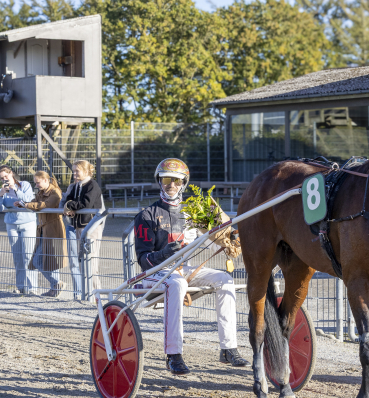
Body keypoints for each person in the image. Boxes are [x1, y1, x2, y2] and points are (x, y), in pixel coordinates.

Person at [133, 158, 248, 375]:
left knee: (225, 279)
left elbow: (214, 239)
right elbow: (143, 260)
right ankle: (173, 355)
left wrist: (229, 238)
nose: (171, 185)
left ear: (184, 183)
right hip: (156, 273)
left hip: (183, 270)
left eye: (177, 181)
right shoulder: (146, 215)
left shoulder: (193, 213)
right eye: (166, 180)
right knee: (177, 284)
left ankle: (228, 348)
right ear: (159, 181)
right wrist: (164, 253)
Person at [17, 171, 67, 297]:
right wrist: (23, 204)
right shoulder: (41, 192)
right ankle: (55, 286)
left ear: (45, 180)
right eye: (35, 183)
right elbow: (35, 202)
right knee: (44, 260)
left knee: (43, 260)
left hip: (53, 229)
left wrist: (27, 205)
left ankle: (56, 284)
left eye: (38, 182)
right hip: (43, 229)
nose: (36, 185)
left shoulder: (55, 192)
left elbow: (45, 205)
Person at [0, 165, 37, 294]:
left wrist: (15, 189)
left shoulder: (24, 185)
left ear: (11, 173)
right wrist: (0, 195)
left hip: (27, 223)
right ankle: (21, 287)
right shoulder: (1, 191)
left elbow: (29, 200)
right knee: (17, 257)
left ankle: (32, 288)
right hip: (12, 225)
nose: (4, 179)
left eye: (6, 176)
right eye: (1, 178)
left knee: (28, 256)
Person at [63, 160, 105, 300]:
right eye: (73, 171)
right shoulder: (76, 186)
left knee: (91, 262)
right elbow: (68, 200)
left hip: (91, 227)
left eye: (77, 171)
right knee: (82, 263)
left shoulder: (92, 185)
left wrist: (71, 206)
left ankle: (97, 296)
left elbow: (85, 203)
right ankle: (87, 294)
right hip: (79, 226)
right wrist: (70, 206)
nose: (74, 174)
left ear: (86, 172)